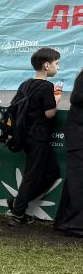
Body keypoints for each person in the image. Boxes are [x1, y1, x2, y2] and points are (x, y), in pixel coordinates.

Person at [9, 47, 61, 225]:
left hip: (24, 136)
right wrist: (57, 101)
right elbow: (49, 114)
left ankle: (18, 202)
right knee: (32, 175)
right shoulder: (47, 86)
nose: (58, 67)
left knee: (52, 172)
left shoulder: (25, 84)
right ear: (47, 65)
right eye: (56, 63)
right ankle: (18, 213)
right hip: (39, 137)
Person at [55, 63, 83, 237]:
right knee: (79, 180)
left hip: (77, 134)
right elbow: (77, 97)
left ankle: (65, 220)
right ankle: (76, 224)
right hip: (79, 135)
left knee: (75, 179)